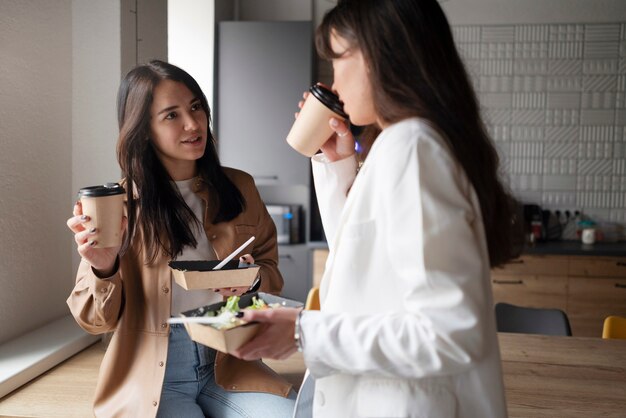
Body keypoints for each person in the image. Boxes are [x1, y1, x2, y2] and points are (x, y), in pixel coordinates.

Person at [232, 0, 517, 417]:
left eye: (339, 61)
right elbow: (358, 257)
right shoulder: (398, 143)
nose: (334, 81)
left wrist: (303, 333)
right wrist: (340, 163)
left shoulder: (413, 146)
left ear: (382, 55)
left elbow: (449, 333)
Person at [66, 60, 296, 418]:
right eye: (171, 116)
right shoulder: (118, 206)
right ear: (143, 131)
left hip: (227, 362)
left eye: (195, 108)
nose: (193, 124)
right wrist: (103, 266)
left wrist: (251, 281)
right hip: (155, 376)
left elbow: (271, 272)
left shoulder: (240, 188)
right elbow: (95, 321)